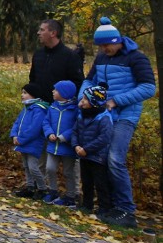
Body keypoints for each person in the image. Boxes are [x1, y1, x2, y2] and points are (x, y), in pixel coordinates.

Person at [81, 17, 156, 228]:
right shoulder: (102, 58)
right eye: (100, 45)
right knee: (102, 159)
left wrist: (116, 100)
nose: (104, 49)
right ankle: (111, 206)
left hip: (126, 116)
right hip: (103, 115)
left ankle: (127, 211)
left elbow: (149, 88)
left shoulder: (136, 58)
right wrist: (82, 96)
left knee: (115, 158)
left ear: (118, 40)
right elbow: (89, 80)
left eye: (107, 44)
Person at [72, 83, 113, 217]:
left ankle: (104, 208)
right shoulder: (82, 115)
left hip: (97, 156)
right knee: (86, 181)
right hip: (83, 154)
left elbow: (104, 138)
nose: (81, 101)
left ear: (94, 102)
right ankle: (87, 204)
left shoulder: (104, 118)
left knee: (100, 183)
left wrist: (87, 149)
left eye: (84, 99)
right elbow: (75, 131)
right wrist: (76, 145)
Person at [42, 80, 79, 206]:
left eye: (56, 90)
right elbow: (46, 122)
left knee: (69, 172)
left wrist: (64, 137)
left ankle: (71, 196)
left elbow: (76, 126)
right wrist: (49, 133)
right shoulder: (53, 107)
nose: (53, 91)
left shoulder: (75, 109)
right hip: (53, 146)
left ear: (64, 93)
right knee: (50, 168)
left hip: (67, 147)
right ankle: (52, 191)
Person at [30, 19, 85, 103]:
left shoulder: (70, 56)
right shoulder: (38, 54)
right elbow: (32, 79)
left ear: (53, 33)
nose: (38, 33)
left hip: (61, 109)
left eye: (42, 30)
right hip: (39, 107)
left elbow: (78, 83)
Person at [10, 82, 48, 199]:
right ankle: (30, 187)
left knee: (33, 167)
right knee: (26, 166)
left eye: (25, 93)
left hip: (33, 143)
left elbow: (34, 129)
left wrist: (21, 139)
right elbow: (17, 123)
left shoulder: (39, 110)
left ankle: (42, 188)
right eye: (22, 92)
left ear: (33, 95)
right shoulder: (26, 108)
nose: (22, 95)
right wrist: (14, 135)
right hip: (22, 142)